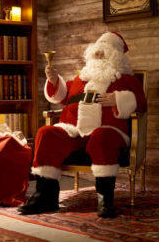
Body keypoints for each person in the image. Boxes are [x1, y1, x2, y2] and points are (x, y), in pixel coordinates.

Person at [18, 32, 147, 218]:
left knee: (101, 137)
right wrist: (54, 81)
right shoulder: (82, 78)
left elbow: (141, 104)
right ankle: (45, 195)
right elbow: (62, 97)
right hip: (75, 131)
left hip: (109, 131)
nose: (99, 55)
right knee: (46, 133)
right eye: (97, 51)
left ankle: (105, 199)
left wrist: (118, 99)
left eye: (105, 51)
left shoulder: (127, 80)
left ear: (117, 55)